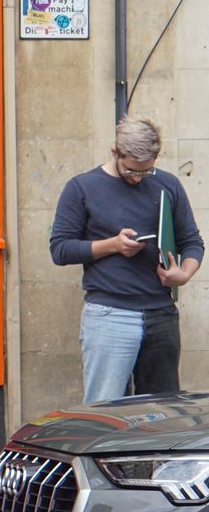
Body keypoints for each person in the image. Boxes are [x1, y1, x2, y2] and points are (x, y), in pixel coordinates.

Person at [50, 116, 204, 402]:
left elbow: (192, 242)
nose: (137, 178)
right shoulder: (81, 188)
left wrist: (184, 273)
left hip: (162, 314)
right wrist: (113, 245)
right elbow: (60, 249)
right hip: (110, 315)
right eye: (131, 170)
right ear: (114, 152)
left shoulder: (167, 184)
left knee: (163, 413)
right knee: (106, 413)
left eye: (146, 172)